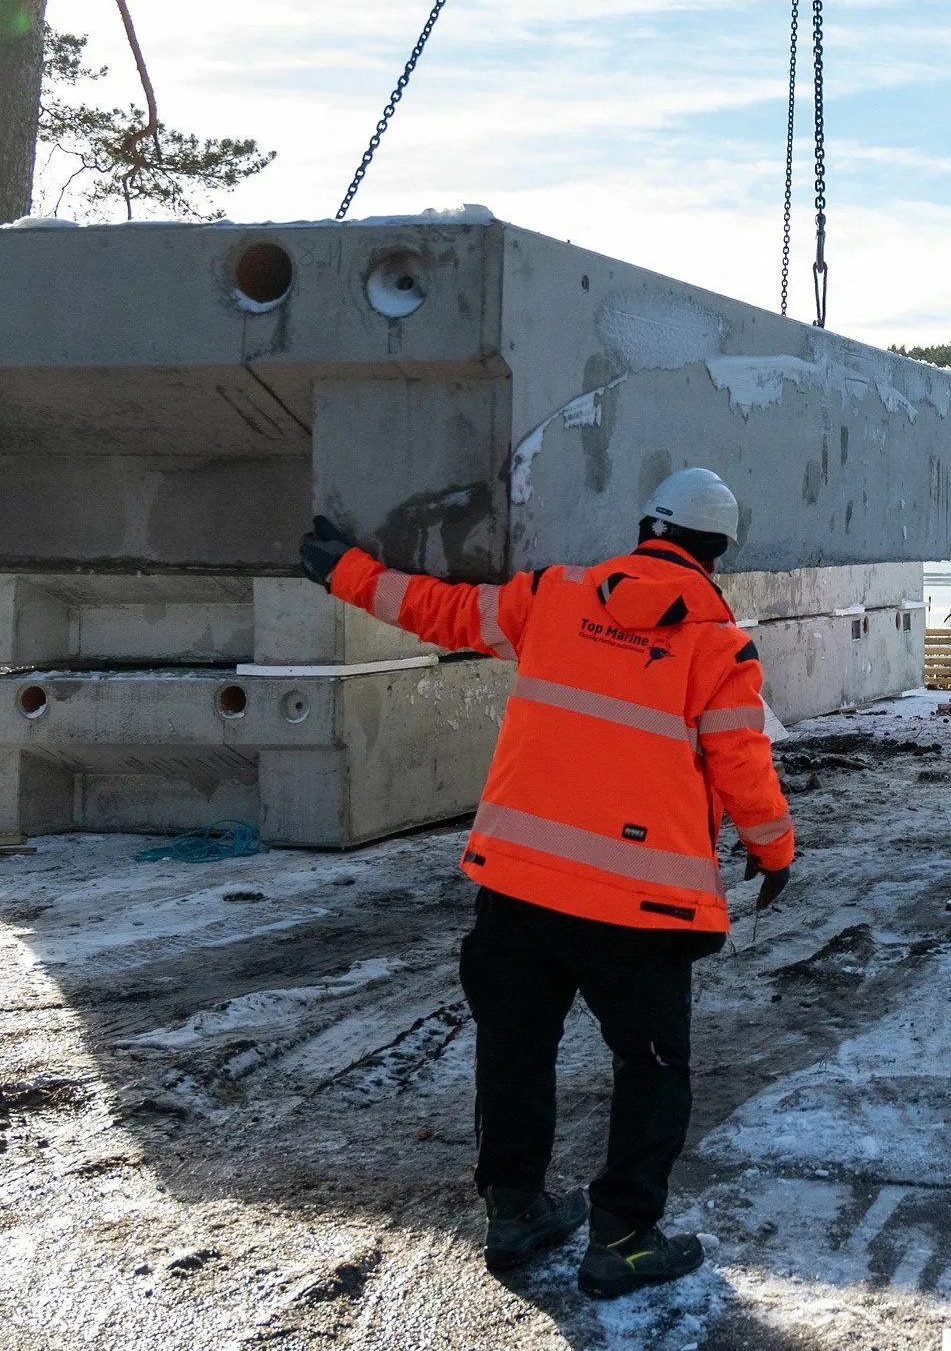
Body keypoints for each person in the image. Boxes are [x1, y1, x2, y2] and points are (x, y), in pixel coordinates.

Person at [300, 467, 794, 1300]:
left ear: (647, 528)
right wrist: (774, 852)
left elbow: (439, 609)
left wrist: (341, 568)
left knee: (516, 1046)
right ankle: (626, 1237)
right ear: (717, 554)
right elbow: (743, 766)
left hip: (520, 888)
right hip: (640, 906)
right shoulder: (717, 644)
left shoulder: (555, 597)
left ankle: (516, 1209)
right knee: (650, 1067)